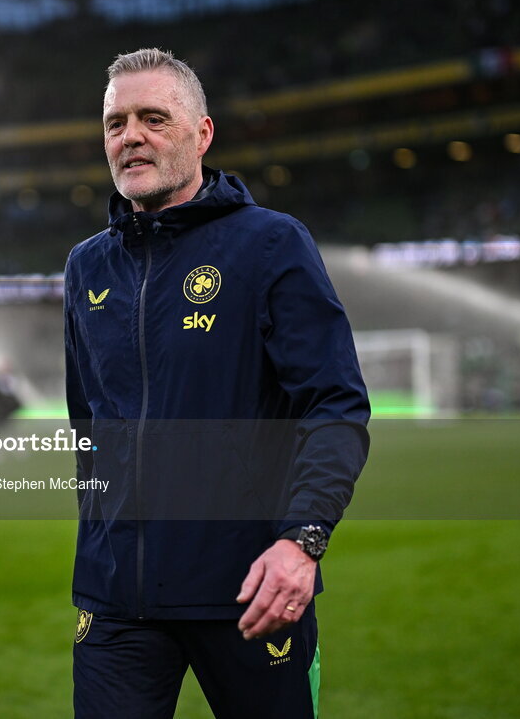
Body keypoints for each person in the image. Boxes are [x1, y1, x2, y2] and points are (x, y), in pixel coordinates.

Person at [63, 48, 370, 718]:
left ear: (201, 133)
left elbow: (335, 404)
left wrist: (302, 539)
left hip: (251, 590)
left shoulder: (270, 244)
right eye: (115, 123)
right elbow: (86, 422)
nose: (130, 136)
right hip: (117, 604)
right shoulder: (86, 266)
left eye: (152, 118)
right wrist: (102, 544)